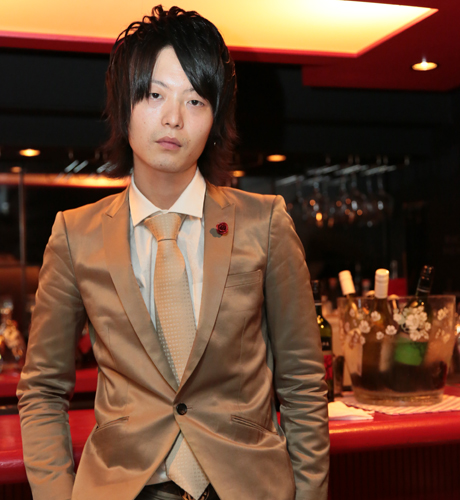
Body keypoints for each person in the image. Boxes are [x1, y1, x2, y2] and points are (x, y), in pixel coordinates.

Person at [17, 5, 329, 500]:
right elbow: (42, 389)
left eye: (195, 100)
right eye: (155, 94)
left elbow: (303, 382)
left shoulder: (265, 222)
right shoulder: (75, 234)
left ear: (215, 118)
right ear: (125, 106)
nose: (173, 118)